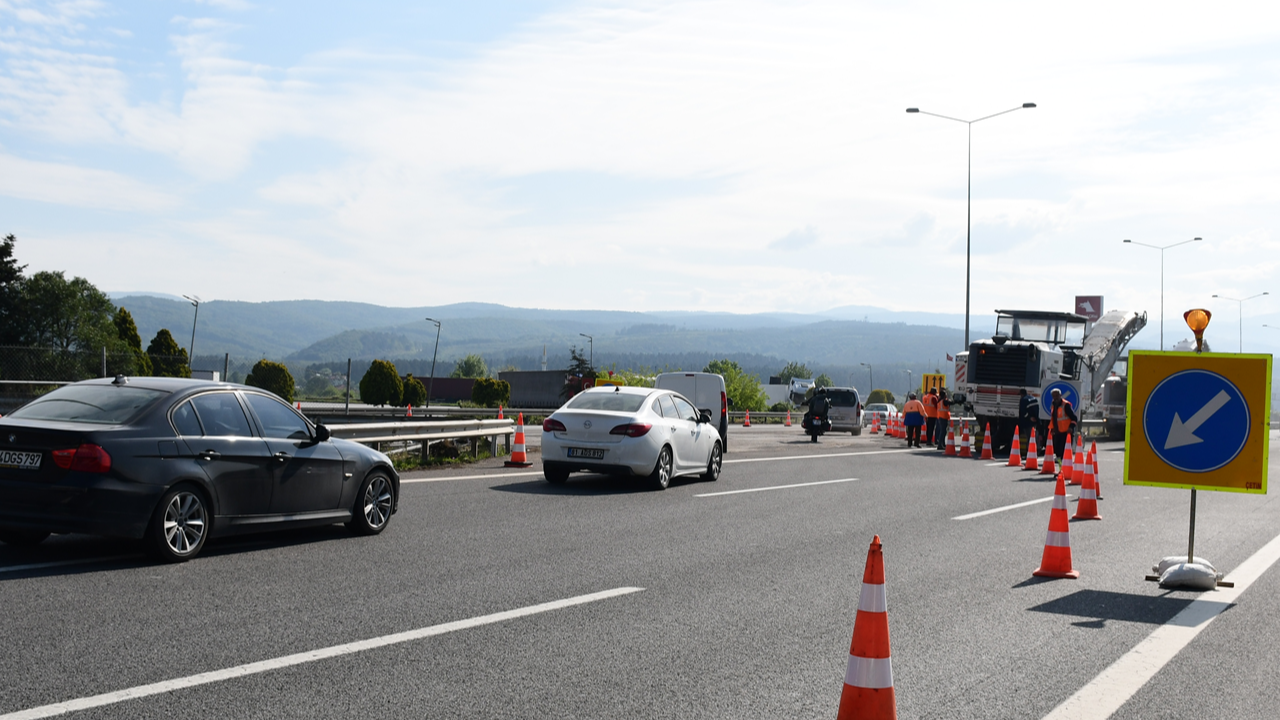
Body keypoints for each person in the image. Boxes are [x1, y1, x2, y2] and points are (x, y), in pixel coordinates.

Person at [1048, 388, 1078, 461]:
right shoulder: (1053, 405)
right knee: (1057, 450)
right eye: (1053, 396)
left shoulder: (1066, 405)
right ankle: (1060, 465)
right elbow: (1054, 418)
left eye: (1057, 395)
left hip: (1066, 432)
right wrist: (1052, 429)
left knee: (1064, 450)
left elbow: (1074, 418)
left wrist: (1071, 427)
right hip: (1057, 431)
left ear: (1060, 395)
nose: (1055, 397)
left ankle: (1064, 466)